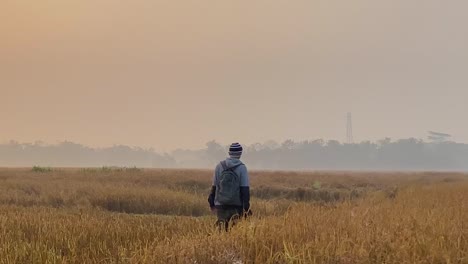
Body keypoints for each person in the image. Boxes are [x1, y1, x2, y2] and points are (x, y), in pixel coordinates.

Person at [208, 142, 251, 231]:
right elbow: (245, 190)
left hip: (221, 204)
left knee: (221, 230)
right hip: (236, 205)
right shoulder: (242, 168)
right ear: (240, 153)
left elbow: (214, 186)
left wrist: (212, 203)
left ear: (229, 153)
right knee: (234, 232)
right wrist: (246, 209)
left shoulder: (219, 166)